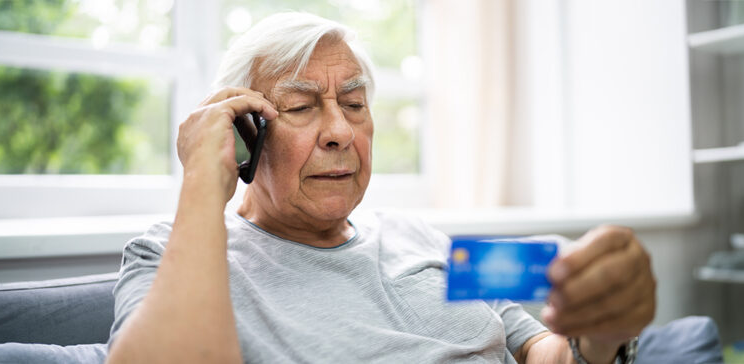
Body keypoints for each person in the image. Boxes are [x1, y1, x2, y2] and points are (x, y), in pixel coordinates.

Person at [105, 12, 655, 364]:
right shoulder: (168, 253)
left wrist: (602, 336)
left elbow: (541, 350)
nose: (341, 132)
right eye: (299, 107)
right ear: (245, 131)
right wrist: (204, 179)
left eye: (353, 104)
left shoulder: (420, 234)